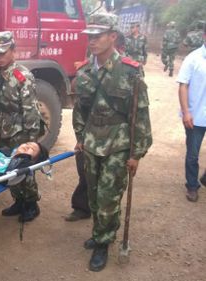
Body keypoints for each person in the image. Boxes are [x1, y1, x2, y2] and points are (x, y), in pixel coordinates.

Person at [73, 13, 152, 272]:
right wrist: (80, 138)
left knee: (108, 198)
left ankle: (103, 242)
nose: (92, 41)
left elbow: (139, 115)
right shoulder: (84, 71)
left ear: (113, 37)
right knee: (94, 196)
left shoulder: (130, 71)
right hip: (92, 144)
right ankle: (100, 231)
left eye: (98, 36)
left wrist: (136, 154)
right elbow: (80, 110)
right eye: (90, 36)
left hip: (118, 145)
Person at [0, 31, 44, 222]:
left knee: (24, 168)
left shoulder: (22, 76)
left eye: (3, 52)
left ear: (13, 50)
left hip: (21, 130)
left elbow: (31, 111)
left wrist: (31, 139)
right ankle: (18, 201)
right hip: (4, 128)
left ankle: (31, 204)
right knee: (9, 167)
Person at [176, 23, 206, 203]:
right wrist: (186, 112)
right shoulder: (193, 59)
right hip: (196, 117)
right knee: (193, 154)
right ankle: (192, 185)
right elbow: (183, 86)